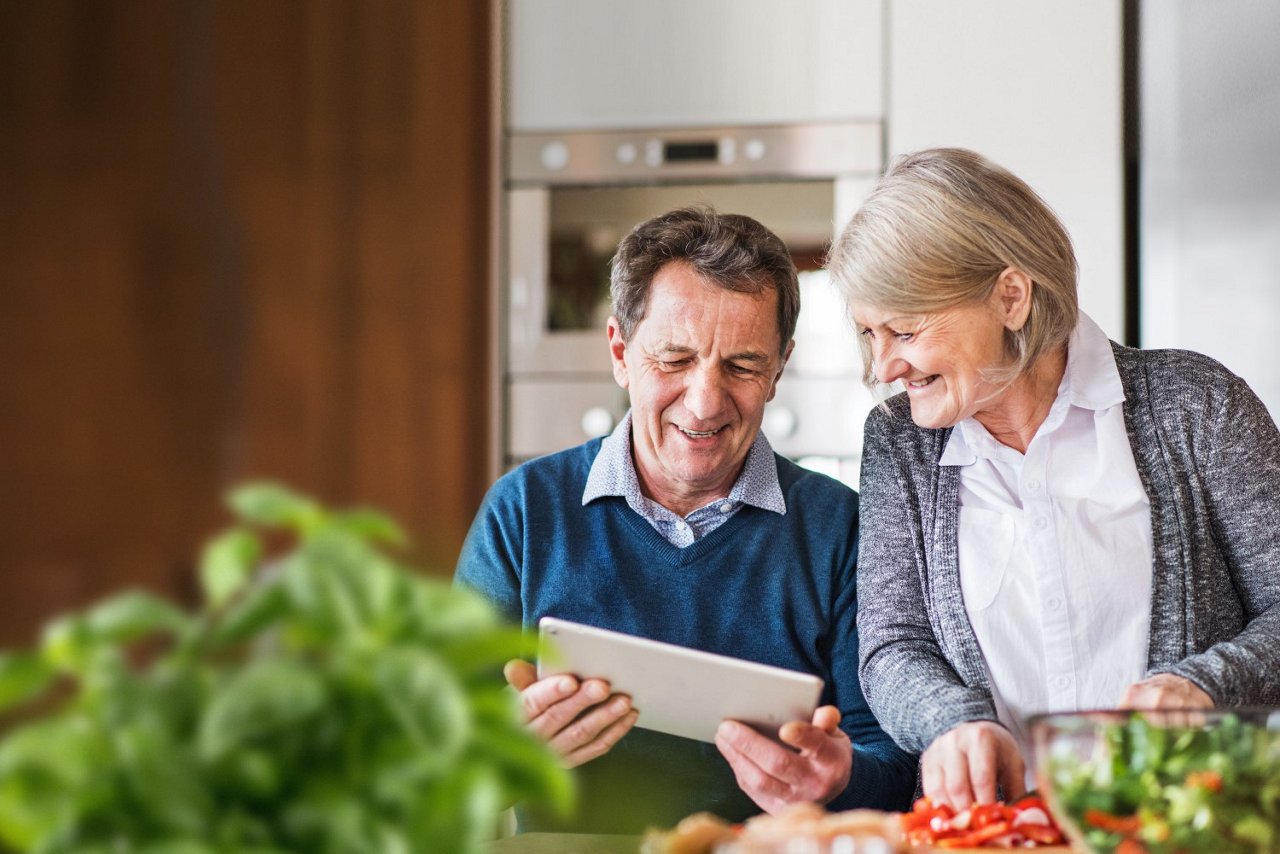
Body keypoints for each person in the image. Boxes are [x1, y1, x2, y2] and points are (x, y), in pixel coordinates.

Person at [827, 147, 1280, 811]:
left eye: (905, 331)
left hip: (1183, 828)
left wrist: (1203, 685)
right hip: (994, 832)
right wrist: (955, 721)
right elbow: (894, 647)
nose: (883, 367)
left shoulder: (1197, 405)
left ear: (1010, 296)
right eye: (870, 334)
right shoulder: (899, 442)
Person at [456, 206, 917, 833]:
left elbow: (896, 772)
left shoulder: (841, 530)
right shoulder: (523, 514)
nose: (704, 403)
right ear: (621, 352)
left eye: (743, 366)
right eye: (674, 360)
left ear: (778, 368)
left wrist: (838, 779)